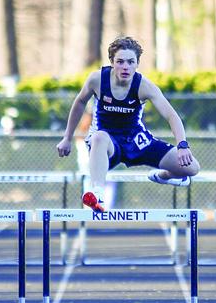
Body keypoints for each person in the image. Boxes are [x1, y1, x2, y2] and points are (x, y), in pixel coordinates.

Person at [56, 36, 200, 211]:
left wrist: (183, 145)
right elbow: (79, 102)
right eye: (120, 62)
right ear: (112, 62)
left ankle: (166, 176)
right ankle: (98, 193)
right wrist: (67, 138)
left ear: (137, 63)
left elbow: (171, 115)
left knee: (192, 168)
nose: (125, 67)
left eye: (131, 62)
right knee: (98, 137)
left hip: (136, 140)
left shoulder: (144, 86)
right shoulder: (97, 80)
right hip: (108, 143)